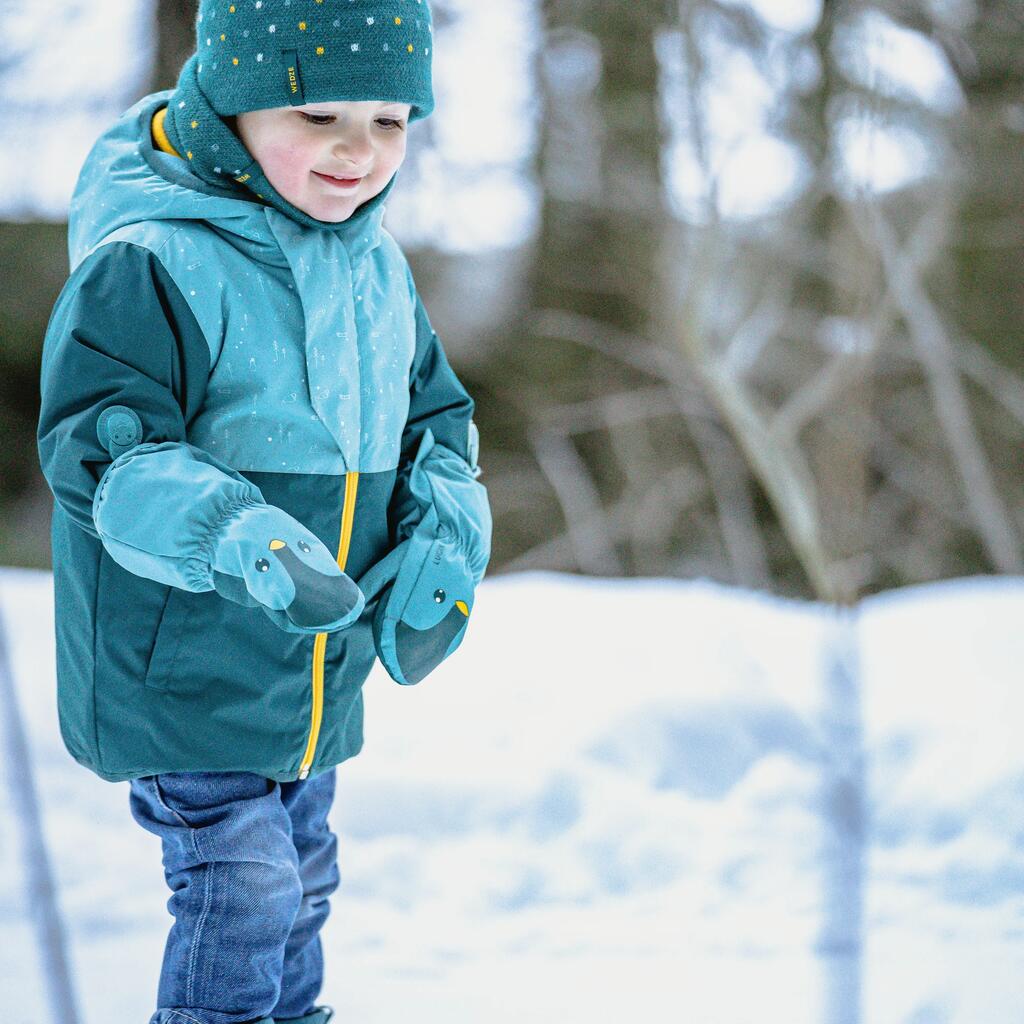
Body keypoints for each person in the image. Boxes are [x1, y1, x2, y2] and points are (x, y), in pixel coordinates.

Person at [35, 3, 492, 1022]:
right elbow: (102, 449)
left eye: (389, 120)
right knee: (241, 883)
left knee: (301, 881)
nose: (358, 152)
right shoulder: (149, 260)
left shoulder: (377, 268)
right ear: (233, 107)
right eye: (319, 114)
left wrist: (443, 535)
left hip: (315, 664)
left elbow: (440, 423)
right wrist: (237, 536)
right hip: (186, 651)